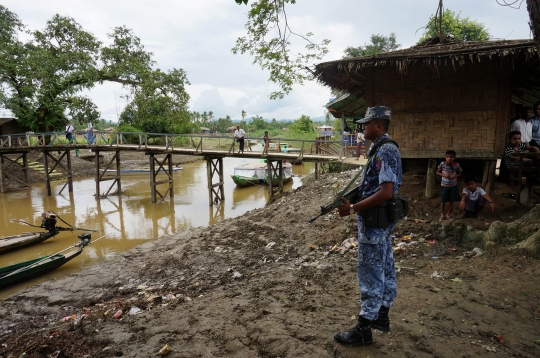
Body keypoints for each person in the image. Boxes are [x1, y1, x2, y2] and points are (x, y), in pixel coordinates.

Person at [334, 106, 403, 347]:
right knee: (384, 268)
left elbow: (386, 192)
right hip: (379, 224)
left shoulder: (385, 150)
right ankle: (381, 316)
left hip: (374, 225)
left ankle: (364, 329)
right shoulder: (382, 148)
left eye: (366, 124)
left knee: (370, 274)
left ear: (378, 126)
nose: (362, 128)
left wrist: (352, 209)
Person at [436, 150, 462, 222]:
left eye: (451, 157)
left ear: (454, 158)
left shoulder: (456, 165)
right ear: (445, 157)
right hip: (444, 185)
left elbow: (460, 173)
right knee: (443, 200)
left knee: (451, 200)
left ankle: (448, 214)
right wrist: (443, 175)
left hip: (453, 185)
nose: (449, 158)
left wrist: (455, 176)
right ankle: (442, 214)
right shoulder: (442, 164)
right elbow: (437, 172)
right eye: (447, 157)